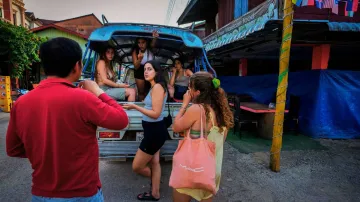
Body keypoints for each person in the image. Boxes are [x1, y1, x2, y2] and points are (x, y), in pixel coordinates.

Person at [6, 37, 129, 202]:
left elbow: (13, 149)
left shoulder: (21, 102)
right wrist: (98, 91)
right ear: (77, 65)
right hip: (83, 194)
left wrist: (45, 151)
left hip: (42, 194)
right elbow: (121, 119)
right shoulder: (83, 98)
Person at [171, 72, 234, 202]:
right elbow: (220, 141)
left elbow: (176, 127)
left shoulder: (197, 109)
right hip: (211, 170)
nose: (188, 91)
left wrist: (184, 104)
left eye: (190, 88)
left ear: (197, 92)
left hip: (192, 169)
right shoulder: (222, 111)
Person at [123, 60, 169, 201]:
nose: (146, 71)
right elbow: (151, 105)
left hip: (154, 132)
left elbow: (155, 113)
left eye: (150, 69)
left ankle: (156, 180)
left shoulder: (157, 88)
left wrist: (135, 107)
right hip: (154, 130)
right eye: (145, 69)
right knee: (155, 162)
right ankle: (155, 192)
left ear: (157, 72)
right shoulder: (154, 87)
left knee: (137, 166)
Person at [132, 30, 159, 101]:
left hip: (150, 69)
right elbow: (136, 66)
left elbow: (153, 44)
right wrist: (139, 59)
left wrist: (155, 38)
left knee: (149, 91)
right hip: (139, 70)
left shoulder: (150, 48)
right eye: (139, 43)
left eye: (143, 42)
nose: (141, 45)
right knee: (141, 92)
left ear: (146, 42)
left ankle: (149, 107)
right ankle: (142, 106)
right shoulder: (135, 51)